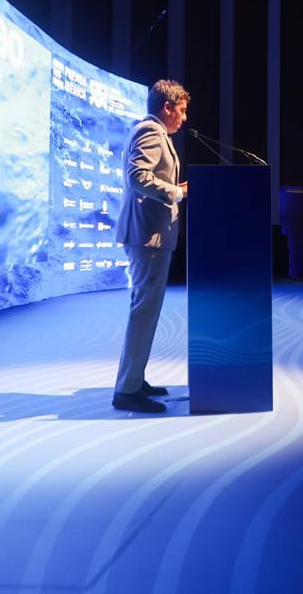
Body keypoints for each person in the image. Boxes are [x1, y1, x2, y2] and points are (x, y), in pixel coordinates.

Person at [112, 80, 190, 413]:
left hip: (149, 236)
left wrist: (175, 187)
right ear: (167, 106)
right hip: (148, 237)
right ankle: (127, 390)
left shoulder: (153, 133)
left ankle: (134, 379)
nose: (184, 119)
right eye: (182, 111)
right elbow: (137, 177)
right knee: (143, 312)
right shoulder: (151, 132)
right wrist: (177, 192)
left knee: (145, 311)